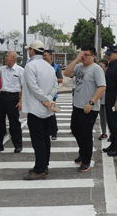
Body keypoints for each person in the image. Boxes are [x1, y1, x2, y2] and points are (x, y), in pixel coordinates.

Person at [63, 44, 106, 172]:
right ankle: (83, 153)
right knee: (75, 130)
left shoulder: (96, 69)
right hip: (77, 105)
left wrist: (91, 103)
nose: (84, 57)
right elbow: (66, 73)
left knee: (86, 134)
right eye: (82, 55)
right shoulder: (79, 67)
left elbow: (102, 87)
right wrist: (76, 60)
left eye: (86, 55)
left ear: (93, 56)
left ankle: (86, 161)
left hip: (89, 108)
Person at [21, 40, 58, 180]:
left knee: (38, 141)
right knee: (45, 139)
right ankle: (44, 165)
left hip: (35, 109)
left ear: (32, 50)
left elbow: (33, 87)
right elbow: (55, 84)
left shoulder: (30, 65)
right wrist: (48, 98)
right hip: (46, 109)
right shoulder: (48, 66)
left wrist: (45, 100)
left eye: (29, 49)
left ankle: (40, 169)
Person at [102, 45, 117, 157]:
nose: (108, 56)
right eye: (107, 54)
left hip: (116, 96)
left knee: (116, 122)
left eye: (109, 54)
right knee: (110, 122)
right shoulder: (111, 65)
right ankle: (113, 143)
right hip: (109, 95)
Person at [43, 49, 64, 141]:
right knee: (44, 113)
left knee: (52, 113)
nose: (44, 57)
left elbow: (61, 79)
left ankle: (54, 132)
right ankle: (47, 131)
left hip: (52, 95)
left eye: (45, 55)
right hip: (43, 94)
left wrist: (50, 79)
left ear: (50, 56)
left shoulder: (56, 67)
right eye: (43, 56)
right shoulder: (42, 66)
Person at [97, 60, 109, 140]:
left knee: (109, 118)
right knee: (102, 117)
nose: (100, 68)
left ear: (106, 67)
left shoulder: (109, 76)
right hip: (100, 101)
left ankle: (112, 134)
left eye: (102, 66)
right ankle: (104, 132)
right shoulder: (97, 75)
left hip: (108, 100)